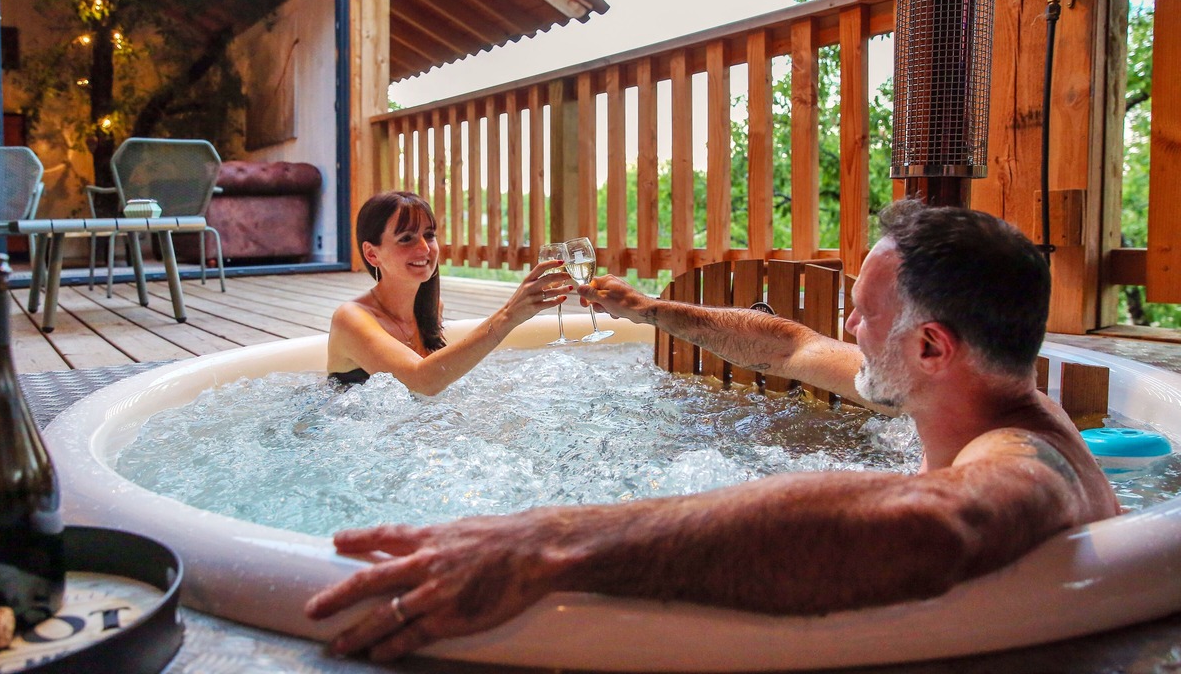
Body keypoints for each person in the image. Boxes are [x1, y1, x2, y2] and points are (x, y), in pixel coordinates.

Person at [305, 200, 1119, 661]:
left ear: (931, 346)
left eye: (863, 315)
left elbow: (934, 524)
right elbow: (792, 346)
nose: (846, 329)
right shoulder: (950, 391)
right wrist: (651, 309)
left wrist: (551, 542)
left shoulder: (1026, 458)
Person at [327, 191, 569, 395]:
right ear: (372, 254)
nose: (424, 248)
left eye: (429, 235)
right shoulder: (351, 318)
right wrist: (508, 315)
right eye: (406, 238)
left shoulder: (430, 309)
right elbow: (421, 381)